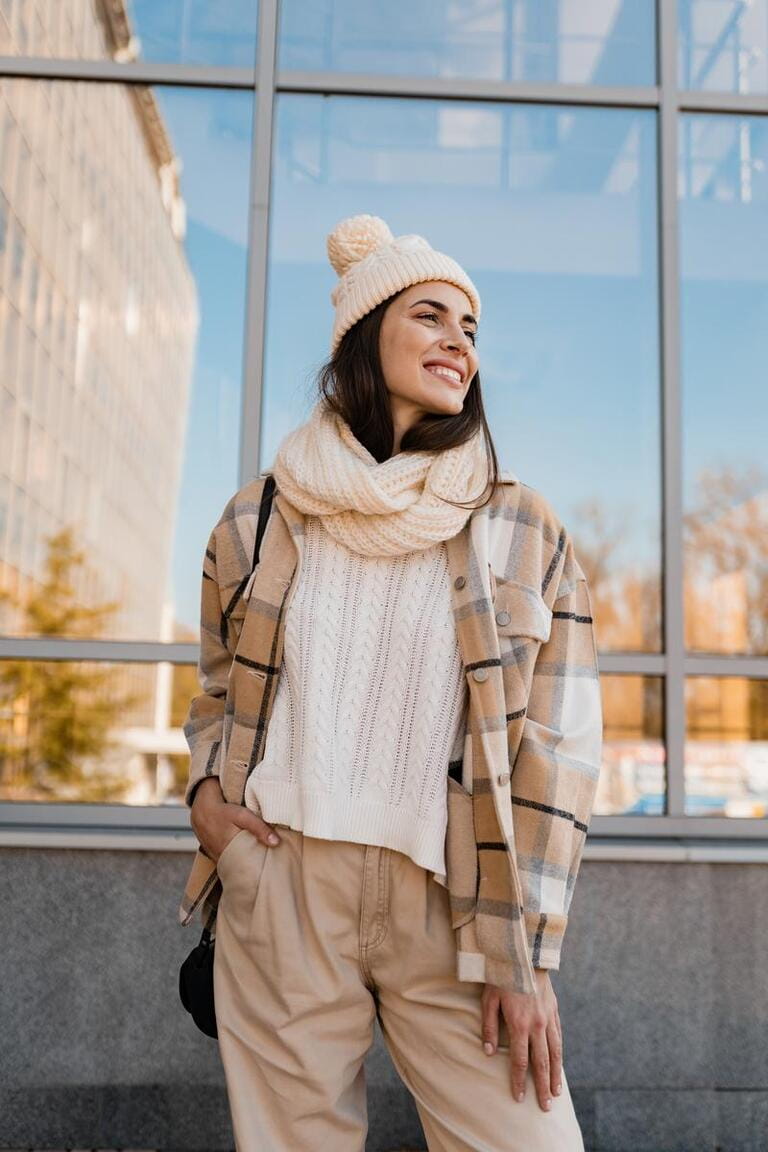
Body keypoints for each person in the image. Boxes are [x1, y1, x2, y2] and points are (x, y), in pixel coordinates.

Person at [180, 213, 602, 1151]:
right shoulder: (259, 514)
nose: (459, 341)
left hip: (452, 896)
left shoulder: (520, 525)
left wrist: (525, 952)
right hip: (283, 877)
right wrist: (209, 799)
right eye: (430, 315)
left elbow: (561, 750)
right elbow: (219, 685)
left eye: (471, 327)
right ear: (365, 336)